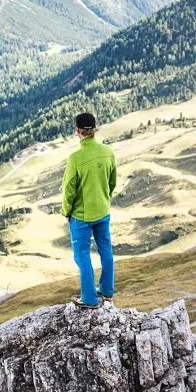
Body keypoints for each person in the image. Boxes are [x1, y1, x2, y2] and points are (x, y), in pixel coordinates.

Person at [62, 110, 117, 308]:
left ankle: (90, 299)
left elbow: (69, 189)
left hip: (81, 216)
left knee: (82, 256)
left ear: (78, 131)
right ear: (95, 129)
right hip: (103, 211)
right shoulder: (108, 152)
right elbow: (112, 182)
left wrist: (66, 211)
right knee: (106, 251)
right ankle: (108, 292)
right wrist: (103, 199)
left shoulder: (76, 158)